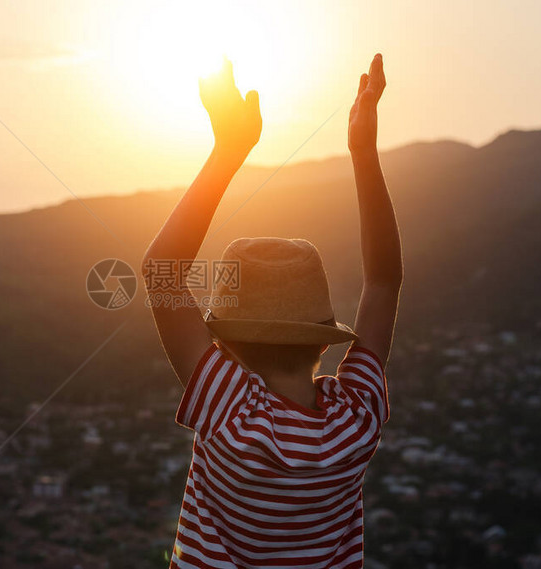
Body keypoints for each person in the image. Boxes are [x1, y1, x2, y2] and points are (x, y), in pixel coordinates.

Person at [142, 53, 402, 568]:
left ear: (224, 343)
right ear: (326, 337)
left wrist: (228, 151)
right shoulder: (356, 421)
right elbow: (384, 282)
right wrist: (364, 153)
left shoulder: (231, 415)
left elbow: (160, 273)